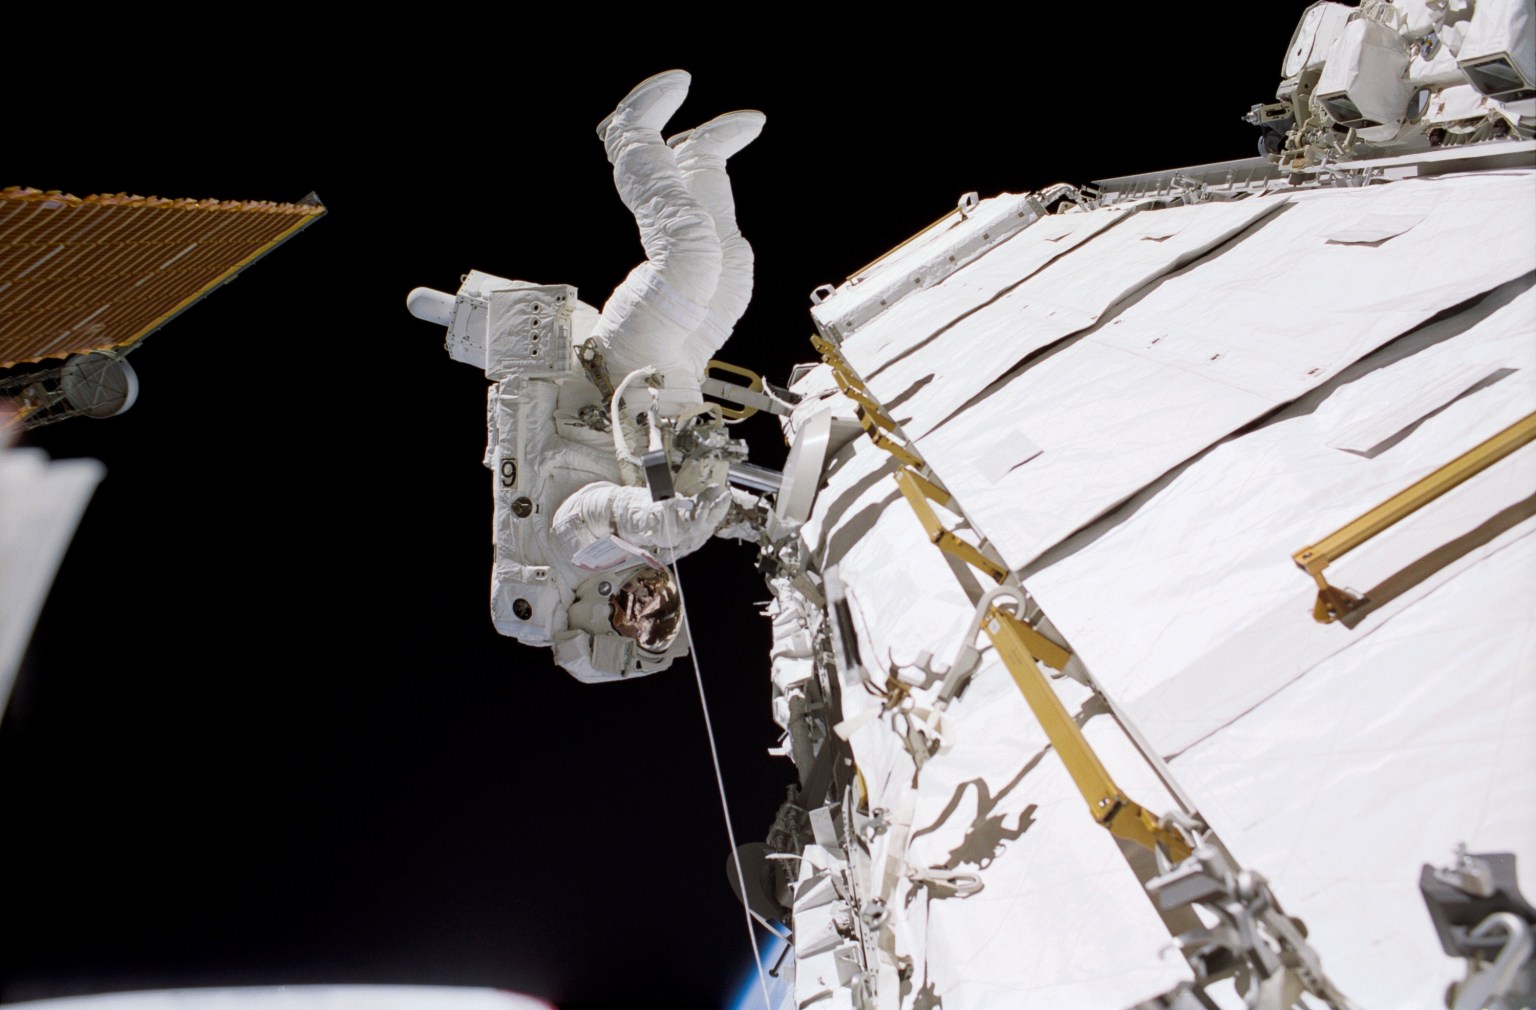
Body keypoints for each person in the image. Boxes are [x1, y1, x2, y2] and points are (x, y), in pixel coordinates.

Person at [410, 71, 764, 682]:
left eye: (640, 614)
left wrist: (669, 524)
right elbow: (689, 502)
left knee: (687, 258)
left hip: (609, 376)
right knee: (732, 277)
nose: (653, 601)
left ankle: (626, 134)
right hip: (662, 394)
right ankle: (697, 160)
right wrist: (748, 518)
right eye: (665, 610)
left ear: (599, 618)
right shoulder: (658, 549)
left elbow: (596, 510)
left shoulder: (567, 563)